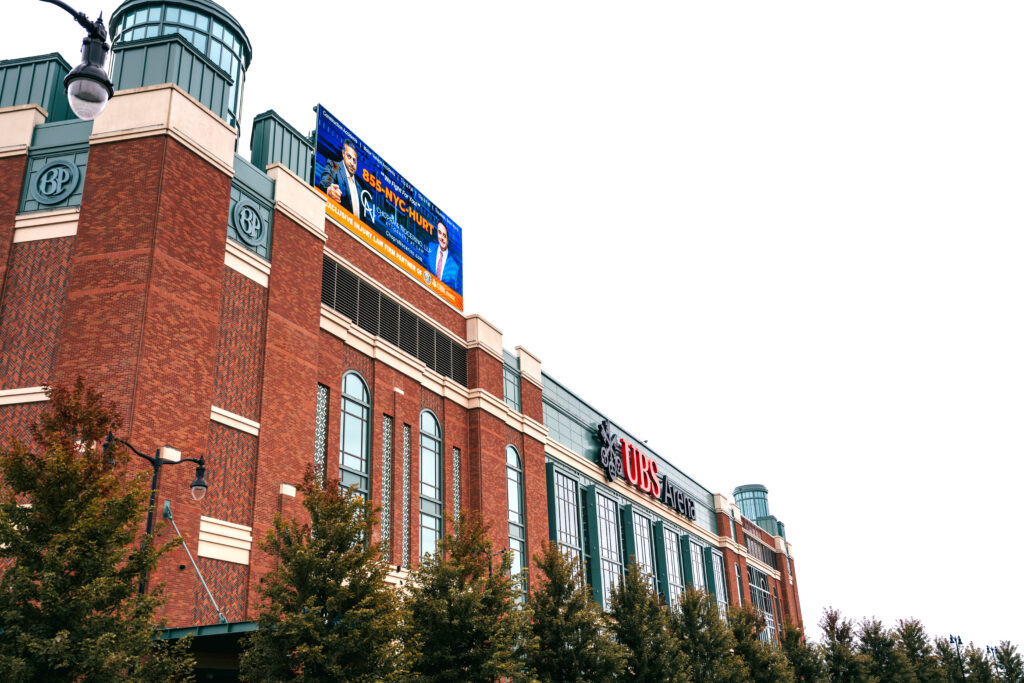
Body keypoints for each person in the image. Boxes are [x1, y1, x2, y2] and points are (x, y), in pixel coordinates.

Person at [326, 141, 371, 222]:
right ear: (343, 154)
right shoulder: (333, 166)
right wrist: (328, 190)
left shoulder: (360, 188)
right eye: (349, 157)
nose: (352, 163)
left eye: (354, 160)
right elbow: (325, 182)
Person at [426, 221, 460, 290]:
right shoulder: (430, 247)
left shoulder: (454, 266)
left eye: (444, 236)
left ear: (448, 239)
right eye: (439, 233)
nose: (441, 238)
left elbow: (452, 290)